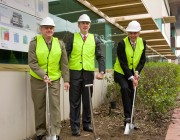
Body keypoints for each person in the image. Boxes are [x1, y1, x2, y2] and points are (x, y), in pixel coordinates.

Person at [28, 17, 70, 140]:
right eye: (46, 27)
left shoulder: (60, 43)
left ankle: (55, 133)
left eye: (51, 28)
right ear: (41, 29)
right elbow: (32, 62)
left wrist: (66, 80)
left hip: (54, 79)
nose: (49, 30)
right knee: (39, 106)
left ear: (54, 29)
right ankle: (40, 132)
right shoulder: (34, 42)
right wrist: (43, 75)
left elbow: (64, 64)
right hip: (37, 79)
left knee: (54, 106)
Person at [66, 14, 105, 136]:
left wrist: (102, 71)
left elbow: (100, 56)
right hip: (75, 73)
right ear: (78, 25)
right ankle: (75, 127)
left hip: (88, 73)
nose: (85, 25)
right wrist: (65, 74)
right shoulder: (72, 38)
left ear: (90, 25)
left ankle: (87, 124)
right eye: (83, 23)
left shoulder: (95, 39)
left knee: (87, 100)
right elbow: (65, 56)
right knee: (74, 101)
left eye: (87, 23)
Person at [114, 20, 146, 128]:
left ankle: (130, 122)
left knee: (133, 94)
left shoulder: (143, 42)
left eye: (135, 33)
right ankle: (128, 117)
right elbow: (123, 63)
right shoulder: (121, 44)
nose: (133, 35)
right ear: (128, 33)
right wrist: (132, 78)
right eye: (131, 33)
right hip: (120, 72)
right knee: (124, 88)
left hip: (132, 71)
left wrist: (137, 72)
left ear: (139, 33)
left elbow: (142, 60)